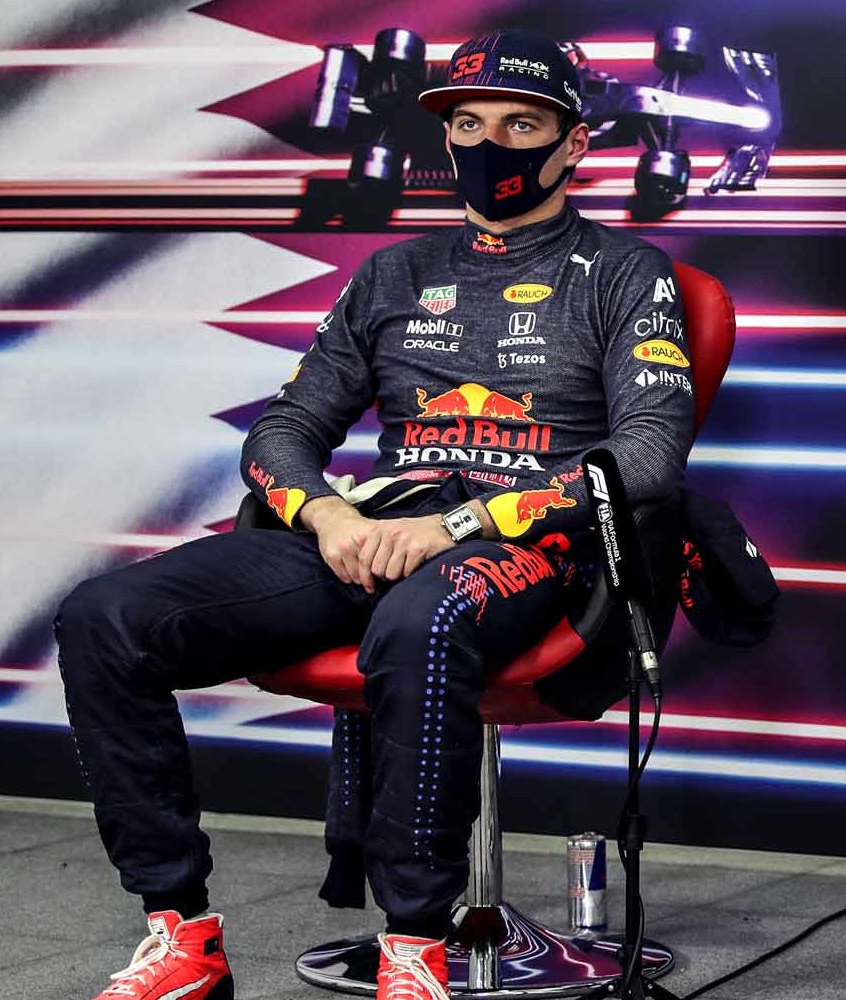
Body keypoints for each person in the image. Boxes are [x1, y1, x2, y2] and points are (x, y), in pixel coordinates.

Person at [55, 29, 693, 1000]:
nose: (491, 145)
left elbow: (648, 457)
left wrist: (459, 528)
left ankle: (415, 945)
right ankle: (181, 931)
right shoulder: (390, 275)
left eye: (522, 125)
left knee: (420, 617)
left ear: (573, 146)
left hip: (533, 547)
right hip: (372, 532)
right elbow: (284, 429)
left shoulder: (623, 272)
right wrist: (324, 517)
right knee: (105, 618)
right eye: (468, 124)